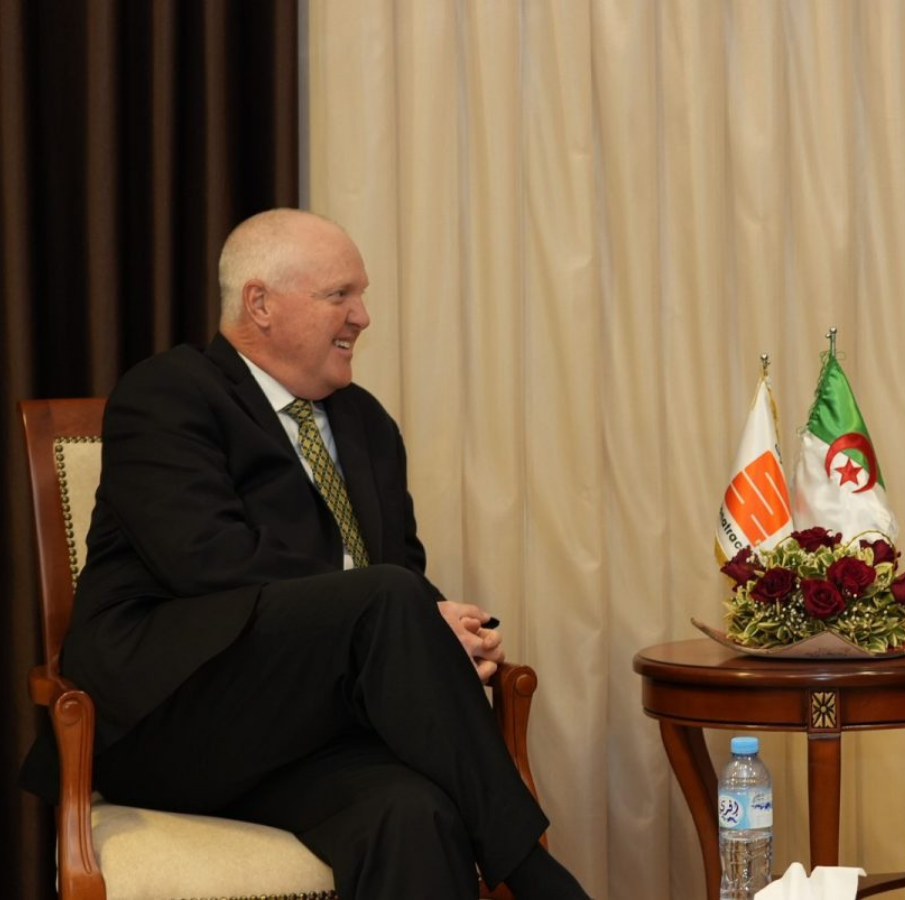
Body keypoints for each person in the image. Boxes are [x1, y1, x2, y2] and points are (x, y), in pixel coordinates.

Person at [20, 209, 589, 899]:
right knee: (388, 597)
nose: (363, 317)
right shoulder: (168, 393)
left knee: (414, 815)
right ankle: (536, 876)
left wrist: (441, 630)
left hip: (305, 732)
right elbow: (204, 560)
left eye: (362, 295)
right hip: (168, 720)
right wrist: (399, 609)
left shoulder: (367, 424)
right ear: (260, 303)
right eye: (339, 295)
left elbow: (400, 572)